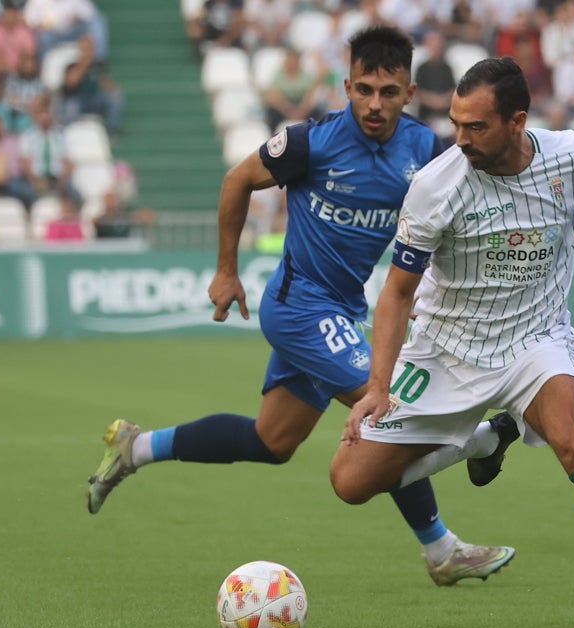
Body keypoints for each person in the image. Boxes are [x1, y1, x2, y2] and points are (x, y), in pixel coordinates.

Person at [86, 25, 519, 588]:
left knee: (272, 441)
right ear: (346, 86)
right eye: (363, 89)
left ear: (409, 94)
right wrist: (226, 271)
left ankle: (135, 447)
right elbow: (238, 180)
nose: (374, 103)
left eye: (388, 92)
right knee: (380, 408)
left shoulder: (426, 151)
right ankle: (445, 537)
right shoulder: (310, 143)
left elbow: (443, 226)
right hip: (297, 308)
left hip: (341, 312)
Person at [331, 56, 574, 628]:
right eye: (455, 124)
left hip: (534, 343)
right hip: (445, 349)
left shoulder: (571, 156)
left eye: (476, 127)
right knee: (350, 481)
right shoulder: (435, 187)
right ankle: (487, 438)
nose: (460, 138)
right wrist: (377, 386)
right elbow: (396, 294)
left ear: (517, 121)